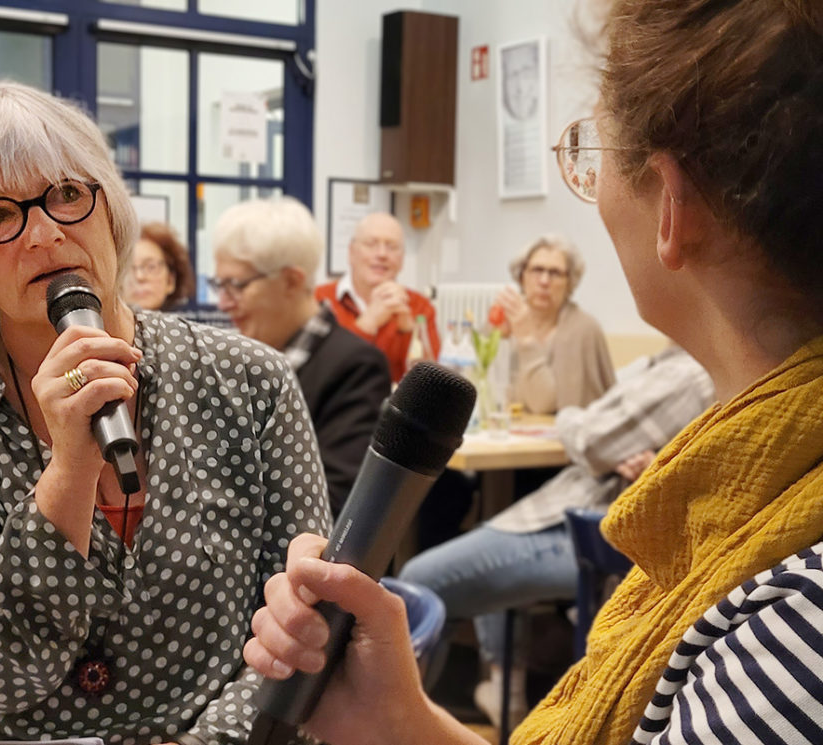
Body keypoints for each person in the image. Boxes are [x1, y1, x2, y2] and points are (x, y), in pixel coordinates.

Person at [243, 2, 823, 744]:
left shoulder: (792, 619)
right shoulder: (729, 520)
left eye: (592, 151)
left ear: (670, 207)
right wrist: (400, 720)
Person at [0, 80, 331, 744]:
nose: (45, 232)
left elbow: (304, 634)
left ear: (110, 209)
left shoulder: (250, 380)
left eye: (68, 194)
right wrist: (70, 468)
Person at [399, 345, 715, 727]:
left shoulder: (679, 372)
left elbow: (589, 436)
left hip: (594, 526)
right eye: (535, 277)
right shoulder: (658, 362)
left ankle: (400, 723)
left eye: (555, 277)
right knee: (488, 518)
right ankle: (500, 691)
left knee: (422, 579)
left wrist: (569, 418)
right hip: (574, 502)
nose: (543, 282)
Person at [212, 197, 391, 516]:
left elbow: (333, 504)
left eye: (236, 285)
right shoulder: (239, 359)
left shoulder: (354, 366)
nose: (224, 303)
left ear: (292, 281)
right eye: (219, 285)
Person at [495, 234, 615, 414]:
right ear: (522, 276)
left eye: (555, 273)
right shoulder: (504, 317)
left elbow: (543, 406)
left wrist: (526, 340)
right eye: (537, 270)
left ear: (569, 283)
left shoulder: (584, 329)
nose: (544, 281)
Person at [315, 212, 440, 382]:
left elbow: (431, 383)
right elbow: (318, 372)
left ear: (402, 259)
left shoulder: (420, 306)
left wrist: (409, 331)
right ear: (351, 253)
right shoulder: (319, 300)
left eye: (392, 246)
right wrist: (367, 323)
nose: (382, 254)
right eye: (371, 244)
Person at [122, 221, 195, 311]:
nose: (139, 276)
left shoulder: (179, 325)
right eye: (128, 268)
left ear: (170, 280)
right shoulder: (101, 325)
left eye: (151, 267)